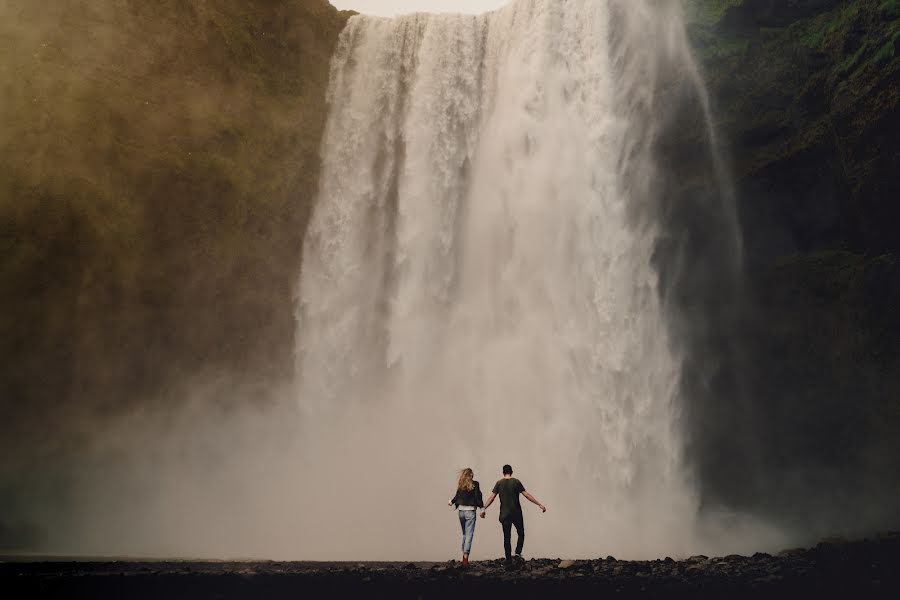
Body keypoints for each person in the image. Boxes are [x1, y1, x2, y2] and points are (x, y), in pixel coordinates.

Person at [480, 464, 546, 563]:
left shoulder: (499, 483)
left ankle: (508, 559)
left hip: (504, 514)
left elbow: (492, 497)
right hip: (516, 513)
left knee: (507, 537)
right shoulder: (516, 482)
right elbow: (526, 495)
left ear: (503, 472)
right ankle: (517, 553)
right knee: (521, 533)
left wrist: (483, 508)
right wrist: (539, 504)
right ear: (512, 472)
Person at [448, 468, 484, 565]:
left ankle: (463, 555)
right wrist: (482, 508)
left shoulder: (461, 484)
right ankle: (465, 558)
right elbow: (477, 496)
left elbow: (457, 496)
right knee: (469, 535)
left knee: (464, 534)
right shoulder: (475, 484)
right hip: (470, 512)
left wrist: (451, 502)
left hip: (461, 512)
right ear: (471, 475)